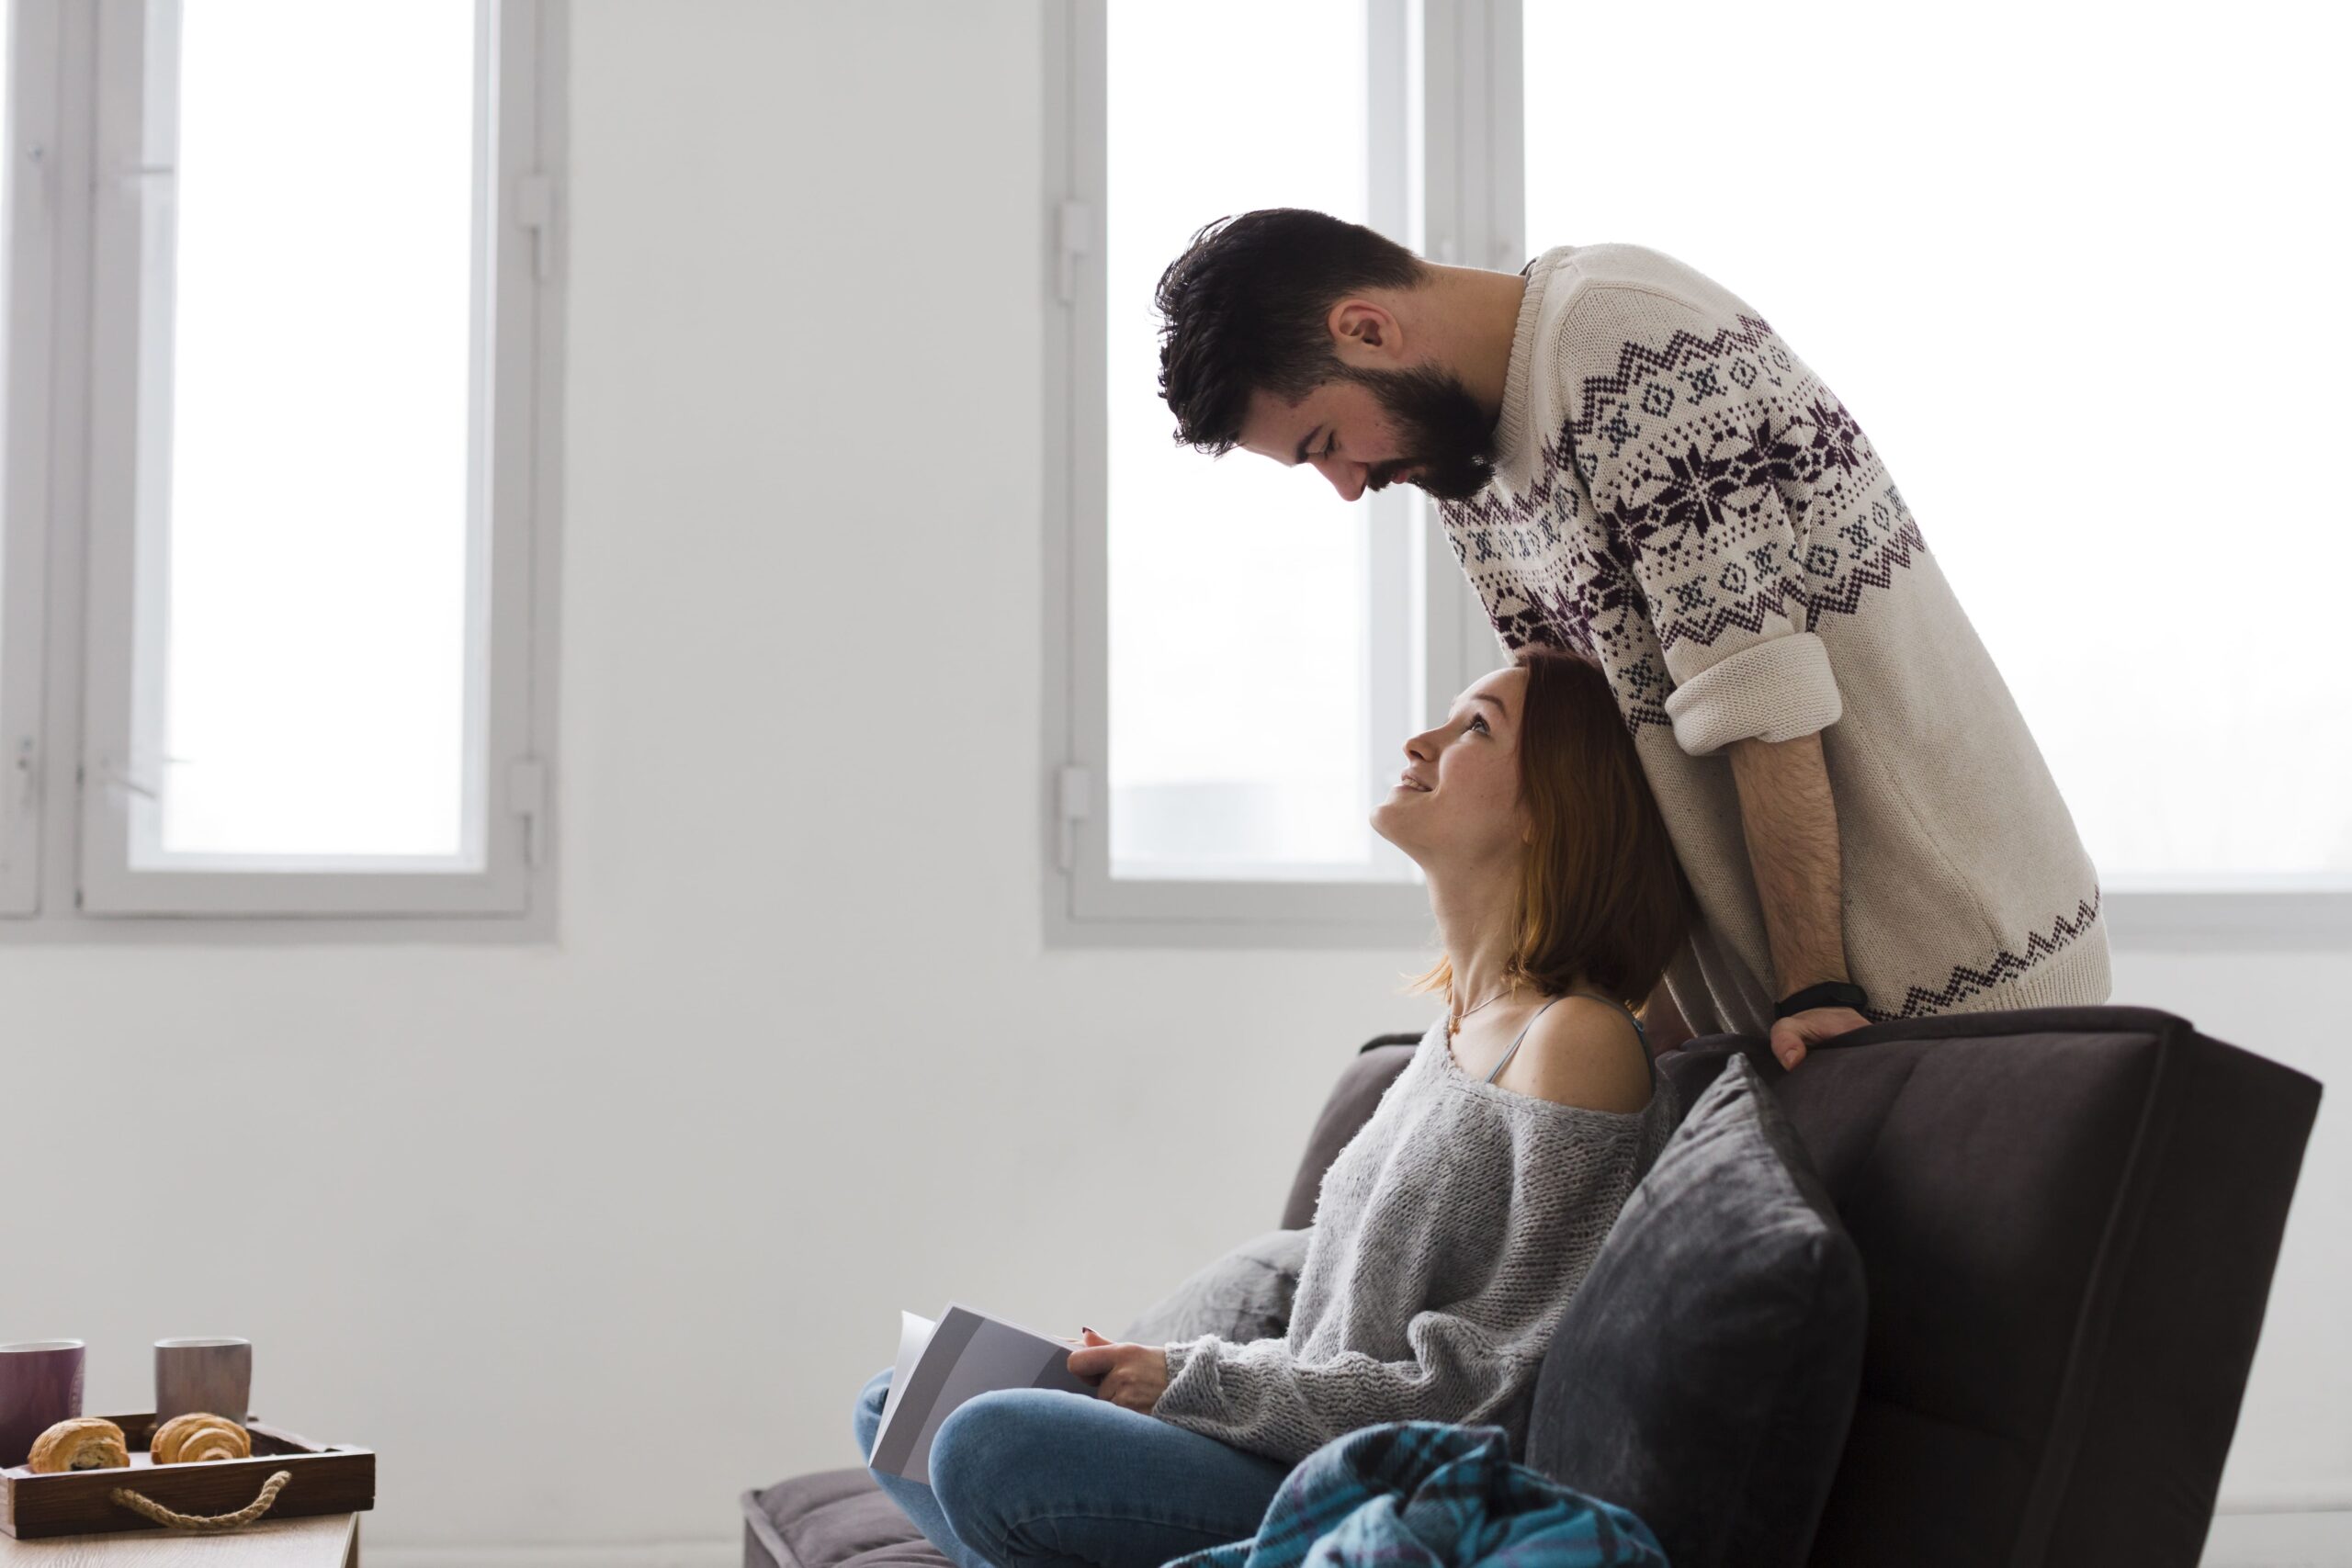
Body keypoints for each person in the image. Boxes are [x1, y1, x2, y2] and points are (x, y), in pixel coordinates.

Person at [1150, 210, 2110, 1069]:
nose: (1348, 486)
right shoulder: (1468, 468)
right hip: (1790, 1010)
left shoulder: (1619, 339)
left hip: (1944, 966)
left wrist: (1813, 986)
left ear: (1366, 329)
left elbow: (1755, 695)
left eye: (1324, 444)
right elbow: (1597, 756)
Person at [854, 647, 1688, 1568]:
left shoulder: (1574, 1041)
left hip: (1361, 1480)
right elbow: (1322, 1335)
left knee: (981, 1442)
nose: (1420, 740)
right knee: (899, 1402)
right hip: (1289, 1438)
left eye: (1474, 729)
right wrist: (1153, 1372)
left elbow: (1490, 1387)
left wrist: (1182, 1381)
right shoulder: (1447, 1038)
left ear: (1552, 811)